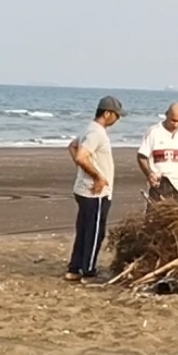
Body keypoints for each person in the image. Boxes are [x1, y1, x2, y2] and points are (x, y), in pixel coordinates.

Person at [65, 95, 125, 281]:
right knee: (94, 233)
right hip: (95, 193)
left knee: (84, 230)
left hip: (84, 189)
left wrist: (84, 171)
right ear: (107, 113)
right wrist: (97, 176)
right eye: (116, 115)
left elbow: (73, 146)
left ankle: (75, 268)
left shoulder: (89, 129)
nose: (118, 119)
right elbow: (80, 155)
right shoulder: (97, 133)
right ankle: (88, 270)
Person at [137, 101, 178, 200]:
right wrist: (149, 174)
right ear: (167, 114)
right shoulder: (154, 132)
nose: (176, 124)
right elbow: (141, 156)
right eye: (173, 120)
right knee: (156, 210)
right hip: (160, 182)